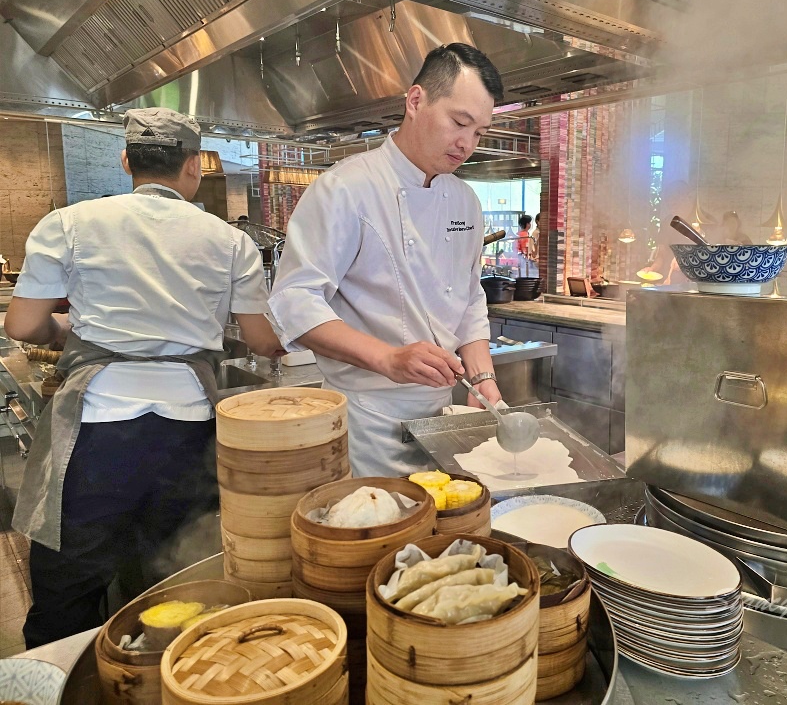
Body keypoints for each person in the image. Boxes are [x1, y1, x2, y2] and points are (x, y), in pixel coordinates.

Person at [4, 107, 284, 647]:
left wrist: (73, 335)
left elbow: (24, 324)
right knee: (176, 583)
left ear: (127, 161)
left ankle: (63, 679)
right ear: (193, 169)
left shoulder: (69, 223)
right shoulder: (231, 241)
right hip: (188, 432)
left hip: (96, 429)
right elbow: (263, 340)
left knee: (69, 588)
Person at [268, 43, 505, 478]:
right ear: (416, 101)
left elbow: (470, 300)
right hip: (366, 421)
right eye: (459, 122)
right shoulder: (346, 188)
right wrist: (389, 359)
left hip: (440, 416)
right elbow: (294, 301)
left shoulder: (466, 201)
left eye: (479, 133)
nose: (466, 144)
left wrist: (483, 377)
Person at [516, 213, 533, 277]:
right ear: (525, 224)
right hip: (523, 257)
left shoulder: (520, 233)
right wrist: (527, 256)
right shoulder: (524, 235)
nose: (530, 225)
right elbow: (524, 248)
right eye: (528, 223)